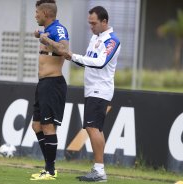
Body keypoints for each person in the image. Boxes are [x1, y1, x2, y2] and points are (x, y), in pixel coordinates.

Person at [44, 6, 121, 182]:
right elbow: (87, 62)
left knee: (92, 128)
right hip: (92, 89)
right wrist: (72, 57)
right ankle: (98, 169)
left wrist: (73, 56)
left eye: (94, 23)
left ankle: (100, 171)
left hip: (100, 89)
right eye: (89, 23)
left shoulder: (112, 40)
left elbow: (100, 62)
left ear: (104, 22)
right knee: (95, 128)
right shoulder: (95, 37)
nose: (91, 27)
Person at [30, 0, 69, 181]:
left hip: (53, 84)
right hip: (43, 84)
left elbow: (64, 50)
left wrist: (45, 39)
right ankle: (49, 168)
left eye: (37, 12)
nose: (35, 15)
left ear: (46, 12)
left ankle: (50, 171)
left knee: (47, 126)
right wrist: (43, 36)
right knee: (36, 126)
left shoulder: (58, 29)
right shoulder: (47, 30)